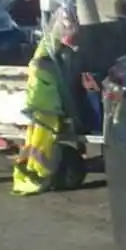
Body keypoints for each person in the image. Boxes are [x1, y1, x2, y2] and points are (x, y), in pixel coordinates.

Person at [11, 10, 78, 196]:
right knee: (42, 143)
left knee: (35, 141)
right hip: (45, 105)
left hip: (41, 104)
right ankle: (39, 174)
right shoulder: (48, 55)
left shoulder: (47, 48)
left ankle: (32, 173)